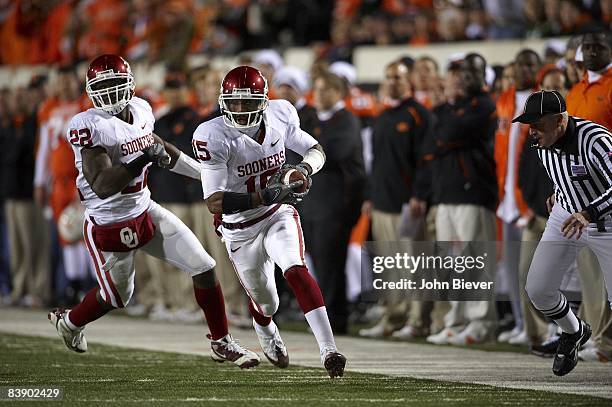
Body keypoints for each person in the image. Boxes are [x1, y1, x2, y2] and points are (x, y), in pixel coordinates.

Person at [47, 54, 259, 370]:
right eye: (101, 86)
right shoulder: (88, 126)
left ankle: (221, 342)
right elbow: (104, 184)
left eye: (114, 84)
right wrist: (141, 157)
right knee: (117, 298)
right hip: (108, 222)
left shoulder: (143, 110)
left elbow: (161, 151)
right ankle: (71, 322)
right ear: (90, 89)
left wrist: (206, 175)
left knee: (203, 266)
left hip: (145, 209)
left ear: (129, 84)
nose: (108, 92)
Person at [192, 65, 347, 378]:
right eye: (233, 102)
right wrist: (261, 195)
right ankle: (263, 324)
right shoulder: (212, 135)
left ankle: (328, 349)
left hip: (277, 214)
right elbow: (215, 202)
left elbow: (315, 149)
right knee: (267, 302)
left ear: (263, 99)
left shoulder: (281, 114)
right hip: (239, 227)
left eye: (247, 101)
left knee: (294, 267)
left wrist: (303, 171)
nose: (239, 108)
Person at [514, 90, 612, 376]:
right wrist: (560, 192)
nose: (532, 131)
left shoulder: (595, 139)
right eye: (529, 124)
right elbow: (569, 172)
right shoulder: (543, 140)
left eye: (537, 124)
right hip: (567, 215)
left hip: (605, 221)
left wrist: (588, 212)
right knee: (538, 289)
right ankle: (574, 331)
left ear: (559, 120)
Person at [421, 54, 499, 346]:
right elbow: (432, 142)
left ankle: (482, 322)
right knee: (451, 263)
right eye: (456, 74)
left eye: (467, 74)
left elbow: (448, 133)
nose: (461, 79)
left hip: (473, 190)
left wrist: (446, 126)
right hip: (446, 192)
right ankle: (458, 319)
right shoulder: (446, 109)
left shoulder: (484, 105)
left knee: (475, 259)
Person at [358, 60, 432, 340]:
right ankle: (392, 317)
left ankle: (418, 321)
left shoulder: (418, 114)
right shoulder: (383, 115)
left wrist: (419, 194)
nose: (392, 82)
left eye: (398, 78)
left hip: (407, 203)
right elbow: (375, 162)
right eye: (389, 77)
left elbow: (426, 160)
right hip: (382, 202)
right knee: (390, 266)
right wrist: (370, 196)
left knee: (414, 265)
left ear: (409, 81)